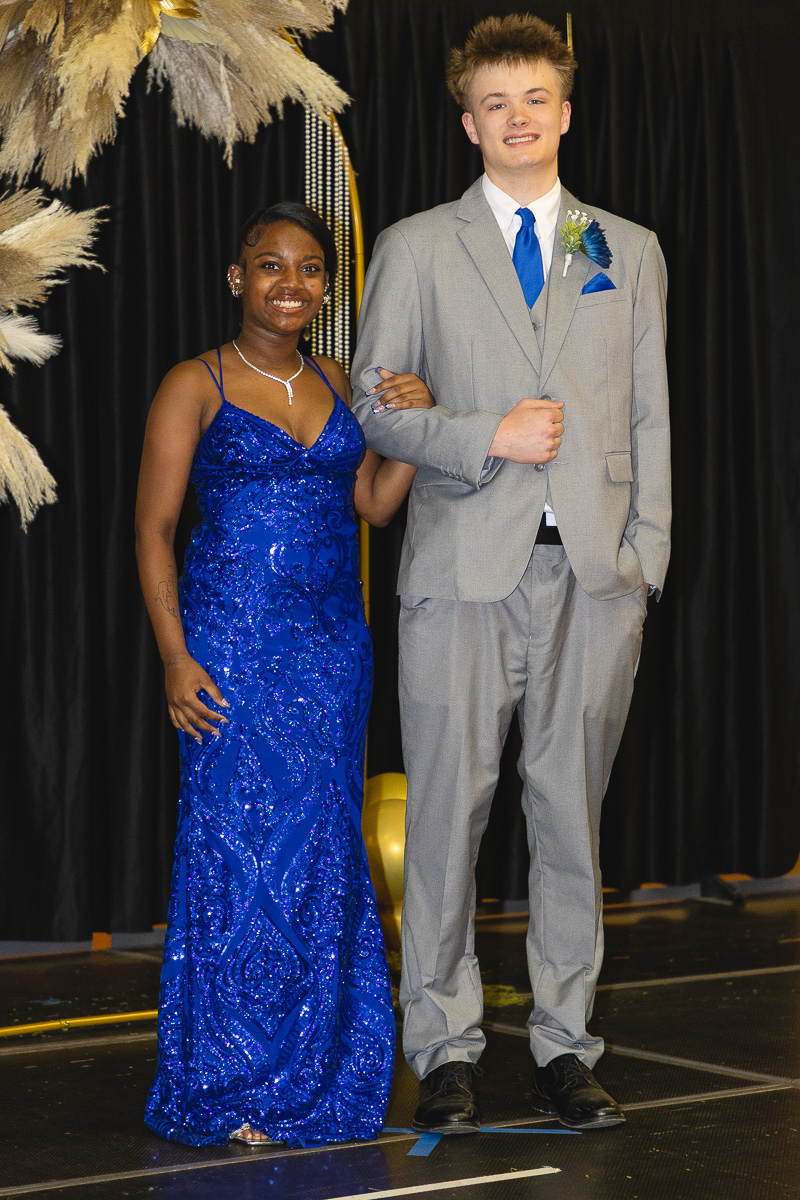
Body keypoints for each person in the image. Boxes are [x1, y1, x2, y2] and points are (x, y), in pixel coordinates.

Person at [351, 15, 670, 1134]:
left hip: (592, 579)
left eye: (534, 97)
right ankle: (441, 1047)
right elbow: (370, 409)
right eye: (495, 102)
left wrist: (644, 562)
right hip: (456, 575)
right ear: (466, 122)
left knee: (568, 821)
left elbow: (647, 416)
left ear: (564, 112)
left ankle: (562, 1046)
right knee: (445, 817)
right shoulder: (414, 247)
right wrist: (486, 431)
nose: (517, 117)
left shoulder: (621, 250)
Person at [135, 202, 433, 1147]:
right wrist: (177, 658)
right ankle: (230, 1080)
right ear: (237, 278)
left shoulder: (340, 381)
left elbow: (374, 508)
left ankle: (318, 1073)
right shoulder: (196, 381)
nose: (292, 284)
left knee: (318, 856)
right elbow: (151, 530)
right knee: (237, 856)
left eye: (309, 269)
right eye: (271, 266)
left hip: (332, 653)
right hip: (229, 651)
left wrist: (409, 435)